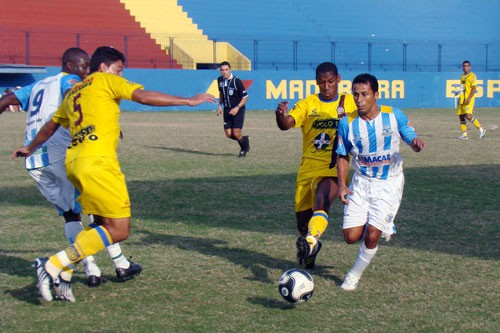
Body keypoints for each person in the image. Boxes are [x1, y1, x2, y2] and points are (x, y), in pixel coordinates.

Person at [12, 46, 216, 303]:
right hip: (99, 162)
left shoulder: (75, 90)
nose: (121, 73)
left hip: (75, 162)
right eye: (119, 68)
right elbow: (142, 96)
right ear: (104, 67)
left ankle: (63, 274)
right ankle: (52, 265)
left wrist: (29, 147)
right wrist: (189, 100)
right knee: (119, 230)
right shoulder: (106, 81)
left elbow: (51, 125)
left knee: (101, 224)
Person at [1, 47, 142, 302]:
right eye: (83, 65)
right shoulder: (73, 82)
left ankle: (86, 269)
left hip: (34, 161)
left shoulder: (39, 84)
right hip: (57, 152)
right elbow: (77, 98)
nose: (86, 70)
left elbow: (6, 101)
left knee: (71, 213)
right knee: (99, 211)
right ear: (69, 64)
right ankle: (113, 265)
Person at [336, 73, 425, 291]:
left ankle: (353, 275)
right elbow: (342, 155)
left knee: (372, 234)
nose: (359, 99)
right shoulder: (347, 123)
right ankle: (381, 221)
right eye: (355, 94)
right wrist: (342, 184)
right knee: (350, 237)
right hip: (361, 182)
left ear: (376, 94)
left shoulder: (393, 115)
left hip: (389, 183)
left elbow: (408, 134)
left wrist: (414, 143)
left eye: (364, 94)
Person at [275, 62, 357, 269]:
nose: (327, 86)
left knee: (322, 200)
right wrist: (280, 115)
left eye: (330, 81)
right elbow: (286, 124)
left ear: (338, 79)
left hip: (334, 167)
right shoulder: (308, 103)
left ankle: (311, 239)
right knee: (302, 223)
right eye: (322, 83)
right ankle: (311, 246)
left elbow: (370, 117)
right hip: (307, 169)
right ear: (316, 83)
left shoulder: (349, 104)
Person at [216, 61, 250, 157]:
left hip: (238, 109)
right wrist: (219, 105)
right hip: (227, 110)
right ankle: (244, 139)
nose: (224, 72)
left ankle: (244, 148)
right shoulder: (220, 80)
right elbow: (221, 93)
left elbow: (245, 97)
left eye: (226, 70)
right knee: (228, 134)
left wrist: (237, 108)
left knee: (236, 132)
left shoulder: (236, 81)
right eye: (222, 70)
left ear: (230, 70)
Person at [456, 60, 486, 140]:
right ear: (462, 67)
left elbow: (474, 88)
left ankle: (481, 130)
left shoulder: (472, 76)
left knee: (468, 116)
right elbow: (462, 88)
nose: (465, 67)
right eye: (464, 66)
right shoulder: (462, 76)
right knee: (461, 116)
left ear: (470, 67)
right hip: (462, 99)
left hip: (469, 99)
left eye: (467, 66)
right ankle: (464, 134)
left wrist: (469, 98)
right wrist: (460, 98)